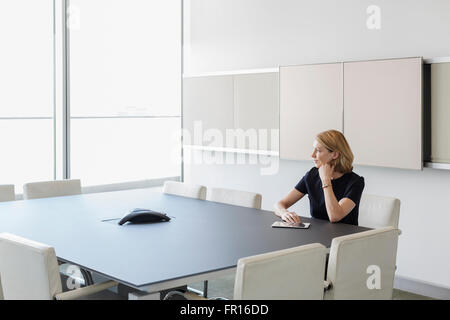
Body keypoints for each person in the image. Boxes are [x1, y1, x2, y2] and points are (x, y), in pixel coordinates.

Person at [274, 129, 365, 226]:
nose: (312, 155)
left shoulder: (355, 182)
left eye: (318, 150)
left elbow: (335, 216)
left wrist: (326, 180)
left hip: (344, 239)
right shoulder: (312, 175)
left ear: (334, 154)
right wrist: (284, 213)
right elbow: (279, 204)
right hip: (317, 235)